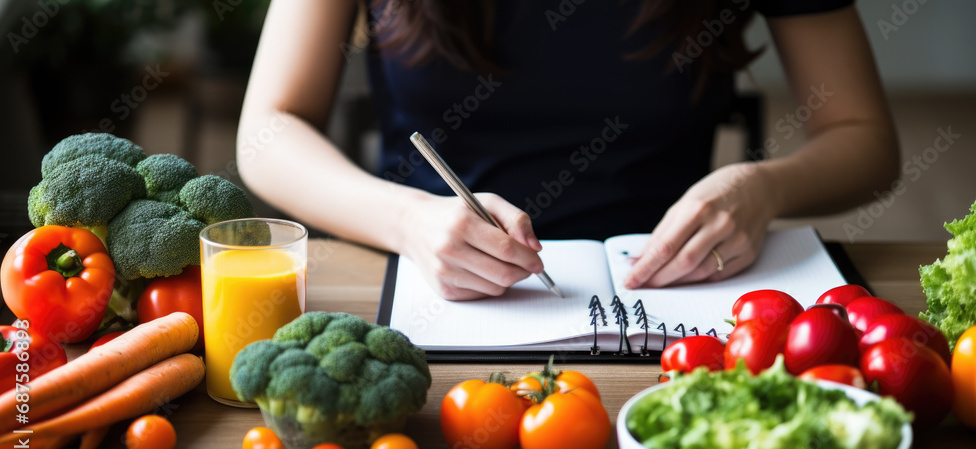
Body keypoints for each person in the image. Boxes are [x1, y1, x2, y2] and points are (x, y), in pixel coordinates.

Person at [238, 0, 898, 300]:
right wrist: (408, 220)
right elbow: (267, 132)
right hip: (432, 288)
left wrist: (764, 189)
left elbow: (865, 139)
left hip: (675, 296)